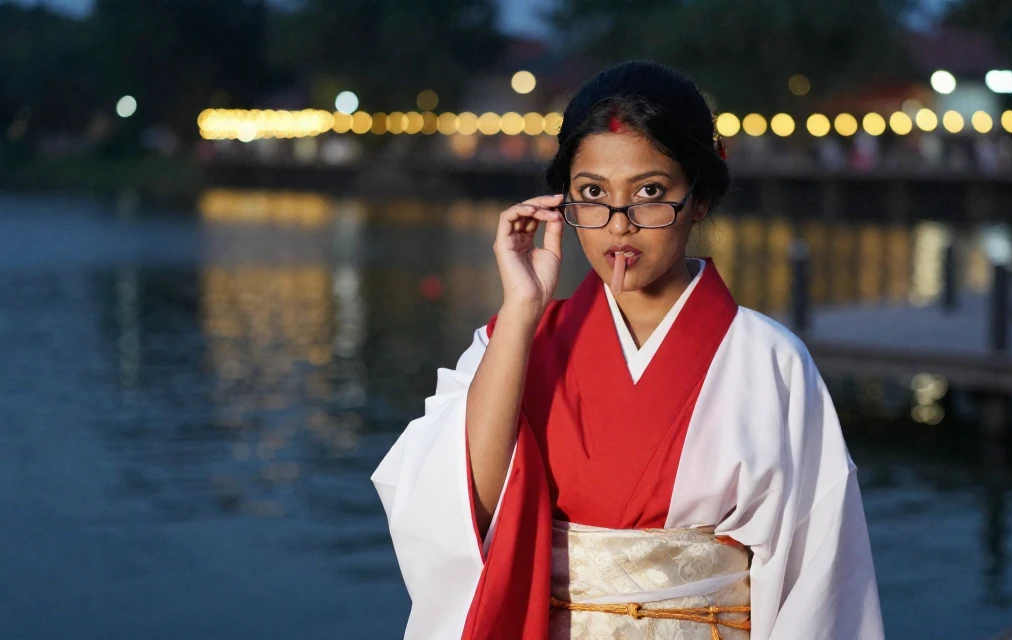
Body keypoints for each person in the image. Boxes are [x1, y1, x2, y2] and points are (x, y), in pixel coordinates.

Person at [372, 60, 884, 640]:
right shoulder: (512, 343)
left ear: (699, 199)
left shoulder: (771, 361)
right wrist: (520, 310)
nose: (618, 226)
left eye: (649, 192)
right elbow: (461, 513)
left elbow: (817, 581)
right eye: (591, 193)